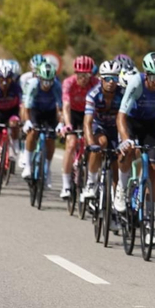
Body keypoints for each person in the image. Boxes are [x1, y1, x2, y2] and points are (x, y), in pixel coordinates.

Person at [117, 51, 155, 212]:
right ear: (146, 74)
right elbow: (121, 115)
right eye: (153, 76)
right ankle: (121, 189)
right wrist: (125, 139)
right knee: (127, 152)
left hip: (149, 124)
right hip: (131, 121)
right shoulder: (136, 82)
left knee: (154, 169)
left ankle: (149, 212)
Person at [82, 61, 125, 204]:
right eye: (107, 78)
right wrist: (91, 144)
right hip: (98, 126)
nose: (111, 82)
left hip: (116, 128)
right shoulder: (93, 94)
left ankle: (114, 204)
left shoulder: (123, 94)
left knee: (117, 165)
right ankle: (91, 182)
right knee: (100, 143)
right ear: (101, 78)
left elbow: (128, 119)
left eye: (115, 78)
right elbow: (87, 122)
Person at [60, 56, 98, 200]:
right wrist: (67, 124)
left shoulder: (96, 83)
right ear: (75, 73)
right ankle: (66, 185)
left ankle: (88, 178)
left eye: (87, 75)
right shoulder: (68, 83)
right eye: (80, 75)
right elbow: (66, 106)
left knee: (91, 144)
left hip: (89, 114)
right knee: (71, 144)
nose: (83, 79)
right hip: (73, 114)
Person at [19, 57, 62, 179]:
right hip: (35, 111)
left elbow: (61, 107)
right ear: (39, 78)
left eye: (50, 81)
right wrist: (27, 121)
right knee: (32, 132)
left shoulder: (57, 86)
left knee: (50, 139)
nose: (47, 84)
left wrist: (61, 123)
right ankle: (27, 166)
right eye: (44, 81)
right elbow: (26, 106)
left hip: (50, 112)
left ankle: (47, 169)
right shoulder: (33, 84)